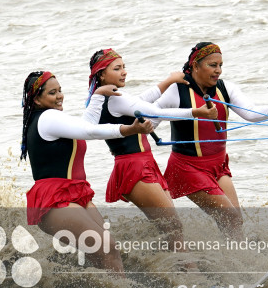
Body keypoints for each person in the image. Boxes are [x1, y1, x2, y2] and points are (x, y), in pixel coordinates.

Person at [83, 48, 217, 256]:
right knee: (174, 229)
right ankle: (195, 282)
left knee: (171, 230)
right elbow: (154, 111)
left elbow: (141, 100)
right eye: (117, 68)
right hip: (134, 168)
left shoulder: (108, 97)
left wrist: (168, 82)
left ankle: (182, 275)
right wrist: (196, 112)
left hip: (143, 164)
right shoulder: (115, 98)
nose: (124, 72)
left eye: (124, 67)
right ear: (101, 74)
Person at [154, 42, 268, 240]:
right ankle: (239, 263)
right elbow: (150, 118)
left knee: (235, 223)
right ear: (195, 66)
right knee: (230, 217)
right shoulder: (176, 91)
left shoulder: (225, 88)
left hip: (218, 166)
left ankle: (233, 263)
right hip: (188, 168)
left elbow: (249, 113)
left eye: (220, 65)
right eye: (213, 65)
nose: (218, 70)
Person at [21, 70, 154, 272]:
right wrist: (129, 130)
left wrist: (99, 94)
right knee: (106, 248)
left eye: (60, 90)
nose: (59, 96)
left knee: (108, 252)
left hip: (75, 194)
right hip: (54, 199)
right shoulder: (48, 118)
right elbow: (90, 131)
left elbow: (87, 125)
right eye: (52, 93)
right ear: (37, 100)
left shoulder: (53, 119)